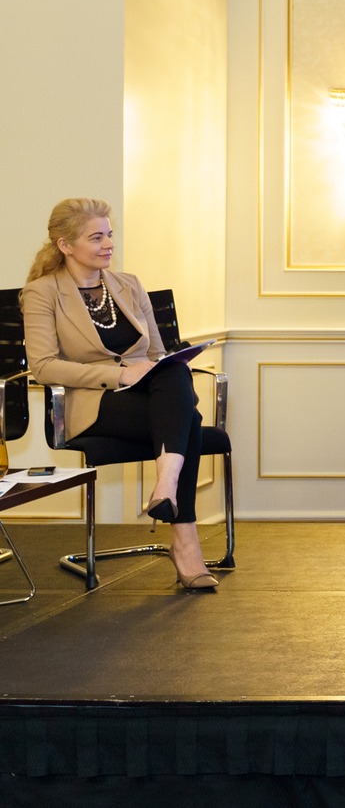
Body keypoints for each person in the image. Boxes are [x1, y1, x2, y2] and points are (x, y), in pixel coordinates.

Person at [21, 198, 218, 591]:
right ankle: (184, 539)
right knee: (190, 422)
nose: (109, 244)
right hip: (92, 404)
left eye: (109, 235)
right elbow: (43, 366)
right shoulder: (42, 293)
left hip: (150, 395)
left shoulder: (129, 284)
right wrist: (120, 374)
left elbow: (157, 353)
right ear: (65, 245)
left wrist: (156, 367)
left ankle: (165, 487)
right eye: (96, 237)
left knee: (174, 370)